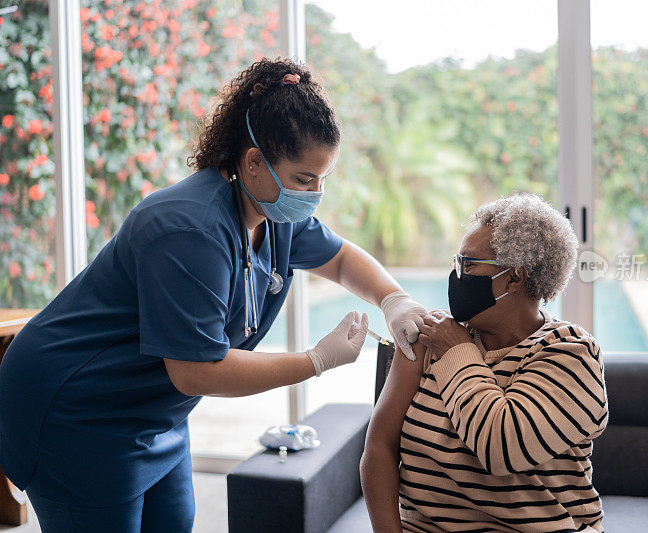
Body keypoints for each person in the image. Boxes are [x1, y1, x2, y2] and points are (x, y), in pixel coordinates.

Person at [0, 58, 426, 532]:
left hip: (152, 412)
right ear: (254, 162)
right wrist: (316, 360)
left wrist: (394, 300)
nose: (316, 194)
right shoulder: (189, 229)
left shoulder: (272, 215)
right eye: (306, 180)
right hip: (77, 409)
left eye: (324, 178)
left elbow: (343, 259)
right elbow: (196, 369)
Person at [361, 193, 609, 532]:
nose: (457, 276)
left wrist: (458, 352)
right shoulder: (432, 337)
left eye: (469, 265)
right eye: (456, 263)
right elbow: (378, 446)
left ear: (515, 278)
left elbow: (502, 449)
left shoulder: (570, 352)